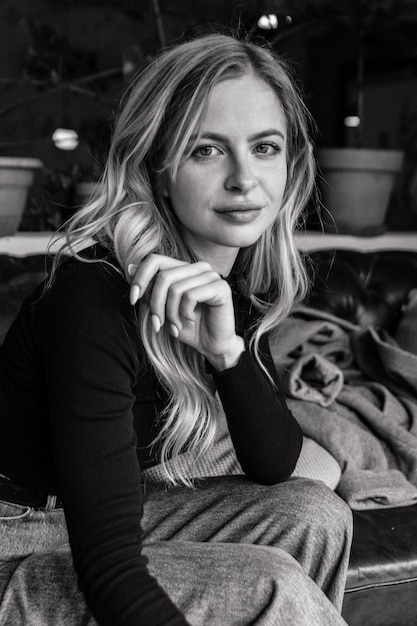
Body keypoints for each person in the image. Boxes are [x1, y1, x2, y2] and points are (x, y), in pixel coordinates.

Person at [0, 34, 352, 625]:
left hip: (75, 525)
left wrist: (227, 354)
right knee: (270, 586)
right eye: (207, 150)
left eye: (265, 147)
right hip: (12, 539)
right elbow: (109, 567)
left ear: (291, 162)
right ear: (157, 170)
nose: (245, 179)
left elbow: (274, 465)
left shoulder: (225, 284)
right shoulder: (93, 295)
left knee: (317, 514)